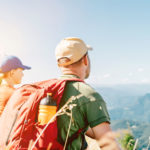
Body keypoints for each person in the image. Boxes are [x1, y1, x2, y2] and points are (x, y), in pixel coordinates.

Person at [55, 37, 120, 149]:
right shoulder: (88, 95)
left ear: (60, 64)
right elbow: (109, 147)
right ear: (85, 59)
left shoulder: (49, 92)